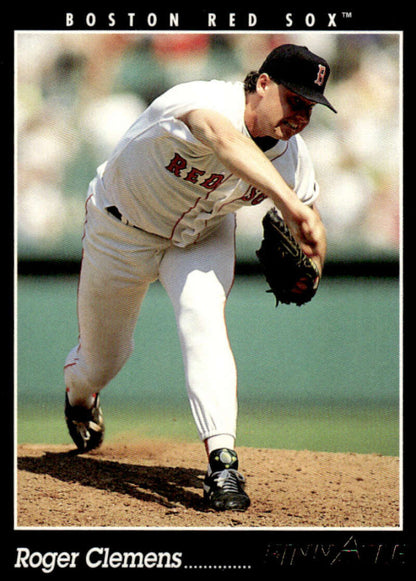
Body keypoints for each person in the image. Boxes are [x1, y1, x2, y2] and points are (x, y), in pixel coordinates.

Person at [64, 43, 336, 512]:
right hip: (120, 229)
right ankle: (79, 396)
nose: (300, 116)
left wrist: (313, 271)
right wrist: (287, 203)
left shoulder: (293, 156)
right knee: (102, 360)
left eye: (310, 107)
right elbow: (221, 138)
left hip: (198, 238)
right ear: (263, 84)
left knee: (203, 319)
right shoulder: (203, 99)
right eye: (295, 101)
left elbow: (311, 224)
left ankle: (222, 464)